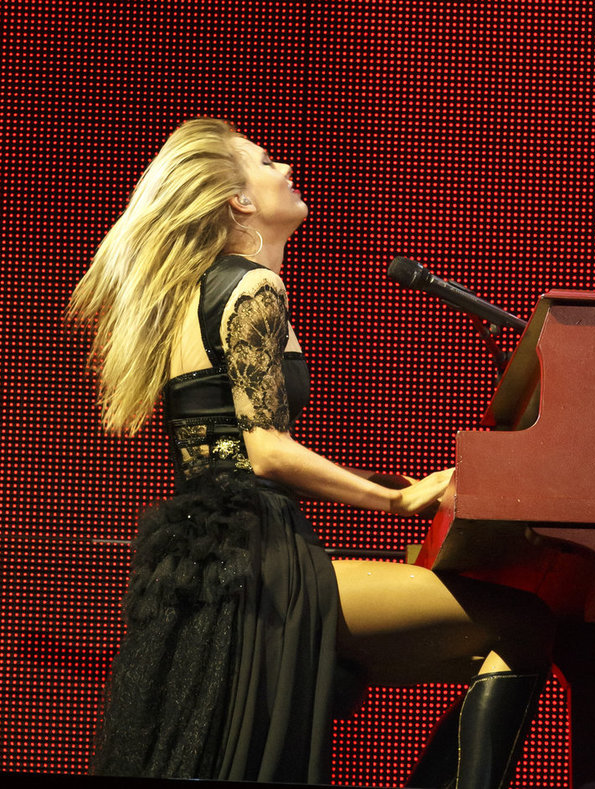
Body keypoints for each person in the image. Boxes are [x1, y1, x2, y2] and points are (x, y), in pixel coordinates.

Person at [67, 117, 553, 787]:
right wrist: (395, 497)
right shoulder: (254, 286)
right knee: (523, 624)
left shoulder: (196, 294)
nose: (286, 167)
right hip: (261, 559)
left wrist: (398, 482)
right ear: (238, 200)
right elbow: (265, 452)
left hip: (211, 557)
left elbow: (232, 451)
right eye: (266, 161)